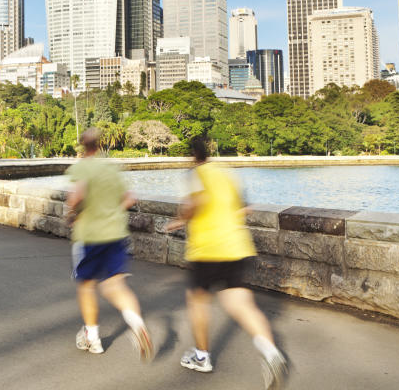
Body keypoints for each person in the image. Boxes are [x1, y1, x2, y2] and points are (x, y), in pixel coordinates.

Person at [168, 136, 289, 389]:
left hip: (208, 249)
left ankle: (202, 357)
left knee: (198, 301)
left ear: (193, 155)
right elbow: (246, 208)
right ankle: (270, 352)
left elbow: (196, 202)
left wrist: (181, 218)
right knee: (241, 303)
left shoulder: (196, 174)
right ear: (209, 152)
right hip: (237, 246)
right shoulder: (228, 174)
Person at [66, 127, 154, 361]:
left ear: (83, 145)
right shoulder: (111, 168)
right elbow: (129, 198)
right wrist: (112, 212)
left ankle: (93, 338)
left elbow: (77, 196)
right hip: (116, 234)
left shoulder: (82, 167)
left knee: (86, 286)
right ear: (100, 144)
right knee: (115, 285)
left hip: (90, 235)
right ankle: (137, 325)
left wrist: (72, 214)